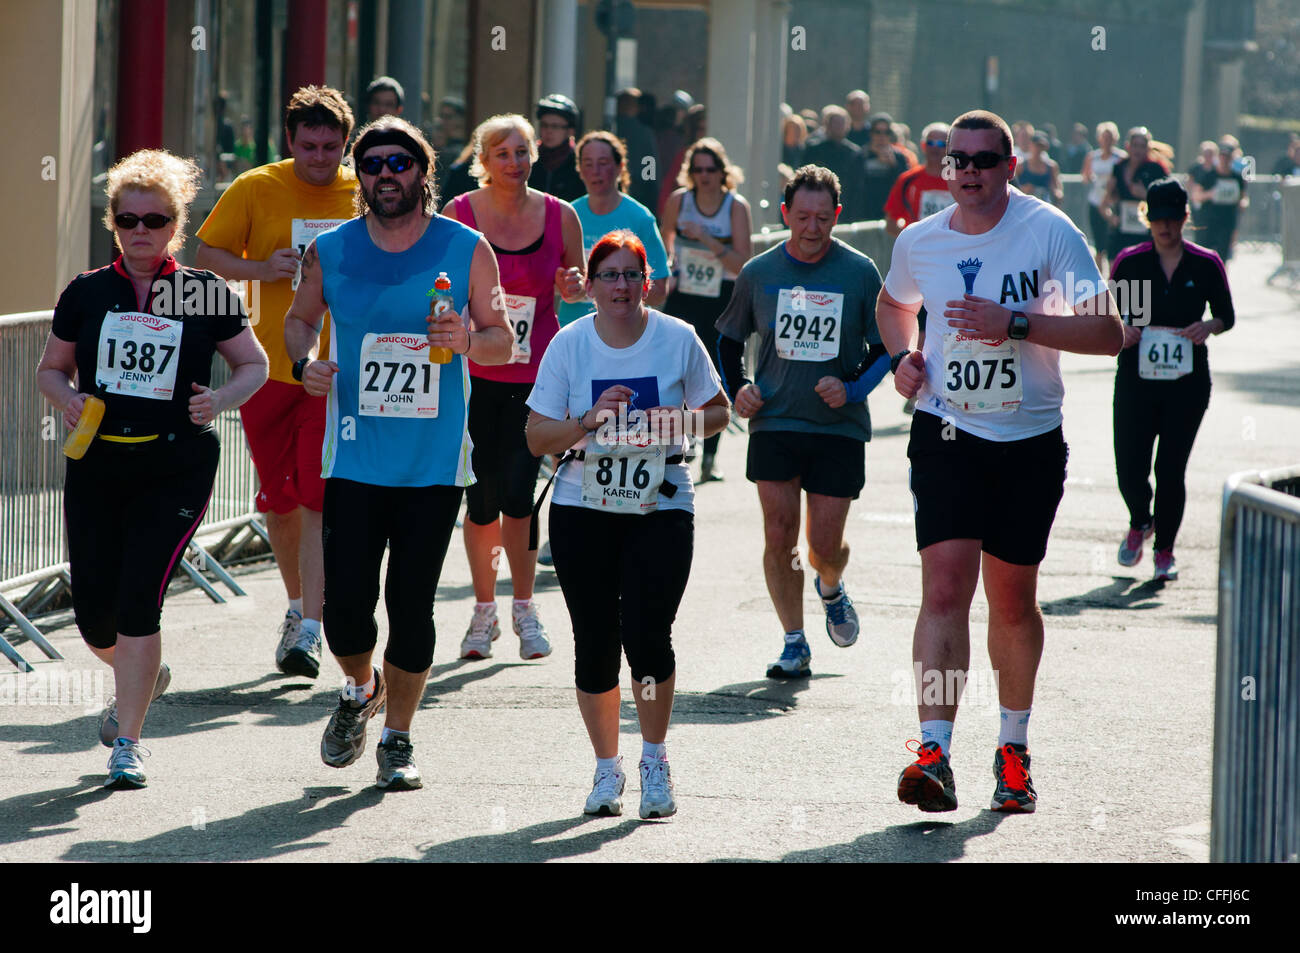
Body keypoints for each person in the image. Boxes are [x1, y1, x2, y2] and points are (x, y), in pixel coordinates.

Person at [877, 109, 1123, 814]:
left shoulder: (1048, 230)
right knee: (945, 590)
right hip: (947, 434)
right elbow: (893, 306)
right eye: (960, 160)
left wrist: (1015, 322)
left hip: (1028, 440)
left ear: (1011, 165)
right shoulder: (920, 240)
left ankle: (1012, 750)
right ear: (946, 165)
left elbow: (1110, 332)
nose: (972, 172)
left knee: (1011, 599)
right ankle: (933, 753)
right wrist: (904, 357)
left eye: (987, 160)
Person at [286, 117, 513, 790]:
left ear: (422, 172)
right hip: (353, 459)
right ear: (363, 178)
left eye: (400, 163)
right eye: (374, 164)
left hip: (434, 464)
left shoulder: (467, 248)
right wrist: (305, 362)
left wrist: (469, 340)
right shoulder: (331, 250)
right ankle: (360, 687)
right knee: (347, 612)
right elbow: (299, 319)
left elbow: (505, 339)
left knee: (411, 604)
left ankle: (399, 738)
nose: (387, 174)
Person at [36, 150, 268, 788]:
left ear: (177, 224)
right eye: (128, 218)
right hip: (99, 461)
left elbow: (255, 364)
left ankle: (129, 742)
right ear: (112, 222)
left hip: (176, 462)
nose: (141, 231)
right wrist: (70, 398)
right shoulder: (87, 292)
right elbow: (49, 371)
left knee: (141, 599)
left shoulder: (202, 290)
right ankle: (141, 674)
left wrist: (218, 399)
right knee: (93, 615)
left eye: (156, 219)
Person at [526, 230, 730, 819]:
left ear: (649, 282)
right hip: (581, 505)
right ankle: (606, 768)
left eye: (630, 275)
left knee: (646, 634)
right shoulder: (569, 345)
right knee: (593, 640)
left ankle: (654, 759)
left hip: (660, 505)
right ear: (588, 286)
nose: (620, 286)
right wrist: (587, 421)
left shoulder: (677, 338)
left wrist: (680, 421)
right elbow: (537, 435)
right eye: (608, 275)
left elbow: (716, 412)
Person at [195, 85, 358, 680]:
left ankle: (311, 627)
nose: (321, 158)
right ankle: (297, 608)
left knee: (315, 493)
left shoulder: (363, 189)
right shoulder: (256, 186)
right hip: (263, 365)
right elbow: (208, 251)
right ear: (291, 140)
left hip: (335, 366)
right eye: (309, 145)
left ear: (346, 142)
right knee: (280, 500)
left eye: (331, 146)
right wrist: (260, 269)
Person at [715, 165, 889, 679]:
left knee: (824, 547)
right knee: (779, 533)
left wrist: (852, 387)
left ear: (837, 216)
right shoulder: (759, 272)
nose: (812, 228)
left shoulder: (859, 272)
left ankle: (831, 587)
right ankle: (794, 642)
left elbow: (886, 350)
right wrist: (738, 387)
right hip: (775, 421)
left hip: (837, 427)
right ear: (786, 214)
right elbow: (728, 339)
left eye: (823, 218)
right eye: (802, 217)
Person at [443, 114, 586, 660]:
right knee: (479, 502)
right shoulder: (458, 214)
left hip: (535, 377)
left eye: (522, 151)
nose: (515, 162)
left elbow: (576, 288)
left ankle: (524, 608)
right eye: (502, 152)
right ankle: (484, 613)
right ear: (484, 160)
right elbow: (439, 281)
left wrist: (572, 285)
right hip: (473, 373)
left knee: (520, 496)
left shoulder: (559, 215)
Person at [1111, 179, 1234, 581]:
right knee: (1130, 466)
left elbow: (1226, 315)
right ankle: (1139, 520)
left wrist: (1208, 325)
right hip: (1135, 381)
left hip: (1187, 383)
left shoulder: (1205, 261)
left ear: (1185, 217)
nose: (1165, 227)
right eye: (1157, 218)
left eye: (1172, 218)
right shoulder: (1129, 261)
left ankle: (1165, 549)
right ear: (1146, 218)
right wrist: (1122, 331)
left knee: (1170, 468)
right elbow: (1106, 315)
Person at [661, 138, 754, 482]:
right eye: (697, 169)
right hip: (685, 293)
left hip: (721, 295)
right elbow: (663, 241)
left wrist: (707, 239)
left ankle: (710, 456)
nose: (704, 176)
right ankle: (684, 443)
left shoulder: (734, 206)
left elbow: (742, 260)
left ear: (722, 172)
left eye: (710, 169)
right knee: (678, 366)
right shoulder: (679, 201)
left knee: (713, 372)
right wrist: (669, 269)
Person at [559, 130, 669, 327]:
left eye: (603, 163)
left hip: (625, 331)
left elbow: (659, 291)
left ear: (620, 167)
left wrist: (620, 282)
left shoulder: (640, 218)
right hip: (574, 327)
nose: (595, 171)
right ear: (579, 169)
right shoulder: (566, 214)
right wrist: (566, 285)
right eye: (588, 164)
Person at [883, 122, 952, 412]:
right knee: (923, 327)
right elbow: (890, 221)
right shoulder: (909, 180)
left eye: (942, 145)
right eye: (930, 145)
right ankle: (918, 386)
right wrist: (912, 241)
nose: (935, 151)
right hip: (924, 267)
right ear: (922, 147)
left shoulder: (959, 180)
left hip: (958, 266)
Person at [1101, 126, 1170, 262]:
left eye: (1142, 146)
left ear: (1148, 149)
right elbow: (1104, 204)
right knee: (1118, 276)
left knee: (1142, 279)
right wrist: (1112, 218)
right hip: (1121, 232)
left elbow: (1167, 202)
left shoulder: (1157, 170)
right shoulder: (1119, 167)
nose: (1138, 150)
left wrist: (1146, 195)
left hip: (1146, 234)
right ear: (1127, 146)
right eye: (1135, 145)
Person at [1189, 137, 1248, 263]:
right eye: (1222, 156)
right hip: (1209, 222)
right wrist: (1210, 194)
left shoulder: (1237, 178)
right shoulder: (1209, 176)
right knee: (1204, 256)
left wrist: (1242, 204)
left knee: (1222, 258)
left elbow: (1243, 197)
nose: (1224, 159)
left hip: (1227, 221)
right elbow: (1196, 196)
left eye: (1227, 156)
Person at [1080, 121, 1126, 276]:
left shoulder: (1120, 158)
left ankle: (1114, 274)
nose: (1106, 141)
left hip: (1112, 203)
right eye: (1104, 137)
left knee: (1111, 241)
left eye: (1110, 137)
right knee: (1099, 243)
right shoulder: (1093, 157)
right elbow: (1085, 177)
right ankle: (1100, 277)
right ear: (1099, 139)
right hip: (1095, 201)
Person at [802, 106, 864, 218]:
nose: (838, 127)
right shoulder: (814, 149)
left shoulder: (854, 153)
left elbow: (857, 186)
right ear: (827, 125)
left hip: (845, 207)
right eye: (835, 124)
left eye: (842, 124)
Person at [529, 94, 586, 203]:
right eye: (544, 125)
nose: (548, 131)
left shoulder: (580, 162)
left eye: (555, 126)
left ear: (570, 131)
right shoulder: (529, 159)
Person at [614, 88, 660, 214]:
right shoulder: (643, 133)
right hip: (638, 191)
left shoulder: (610, 128)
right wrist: (649, 188)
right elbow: (649, 161)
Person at [860, 112, 913, 221]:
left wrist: (893, 165)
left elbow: (906, 186)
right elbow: (853, 186)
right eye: (877, 132)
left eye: (886, 132)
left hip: (889, 216)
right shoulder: (860, 156)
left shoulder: (899, 157)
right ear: (871, 133)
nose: (882, 136)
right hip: (863, 215)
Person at [1015, 131, 1063, 206]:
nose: (1038, 149)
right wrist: (1023, 189)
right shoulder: (1020, 165)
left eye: (1042, 146)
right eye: (1036, 145)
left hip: (1045, 204)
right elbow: (1011, 186)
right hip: (1025, 204)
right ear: (1030, 145)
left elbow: (1056, 186)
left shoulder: (1051, 166)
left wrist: (1057, 193)